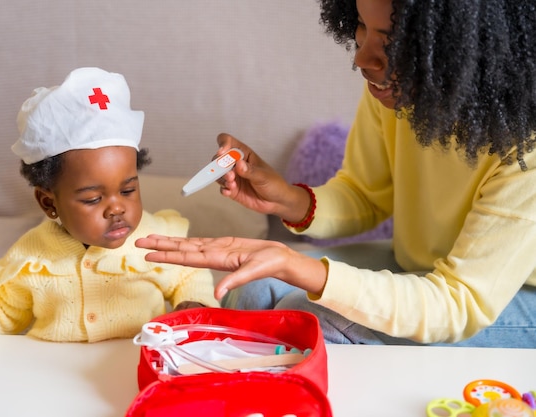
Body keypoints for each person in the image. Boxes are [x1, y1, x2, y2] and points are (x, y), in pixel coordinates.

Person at [135, 0, 536, 347]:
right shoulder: (396, 93)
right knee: (253, 284)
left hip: (504, 297)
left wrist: (301, 269)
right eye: (362, 30)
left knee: (307, 315)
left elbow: (457, 301)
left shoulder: (527, 147)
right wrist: (287, 198)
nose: (361, 59)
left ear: (467, 46)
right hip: (426, 268)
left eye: (390, 42)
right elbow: (365, 194)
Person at [0, 67, 218, 342]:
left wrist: (194, 306)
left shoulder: (158, 241)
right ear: (48, 202)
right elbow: (1, 314)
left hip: (136, 370)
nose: (116, 208)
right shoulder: (31, 257)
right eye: (93, 199)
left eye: (127, 191)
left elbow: (190, 277)